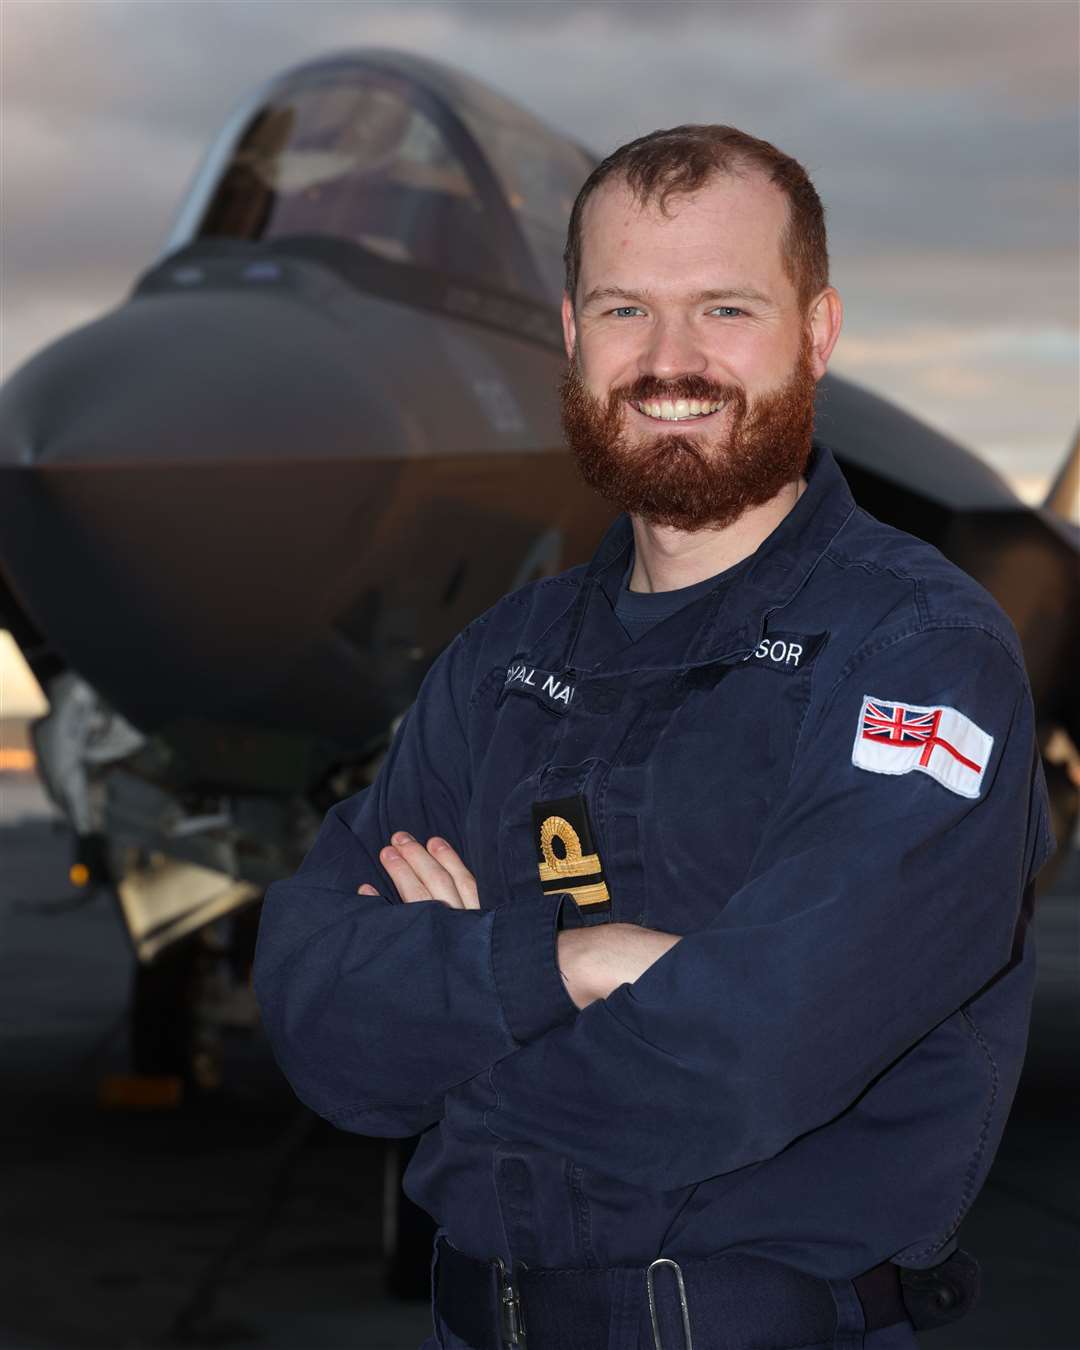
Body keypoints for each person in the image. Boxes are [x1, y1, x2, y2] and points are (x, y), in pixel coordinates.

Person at [254, 125, 1053, 1350]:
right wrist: (575, 964)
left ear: (817, 332)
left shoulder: (918, 655)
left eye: (726, 307)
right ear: (573, 337)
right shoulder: (501, 664)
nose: (671, 360)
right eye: (626, 310)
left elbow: (741, 1067)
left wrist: (454, 1026)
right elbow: (319, 1022)